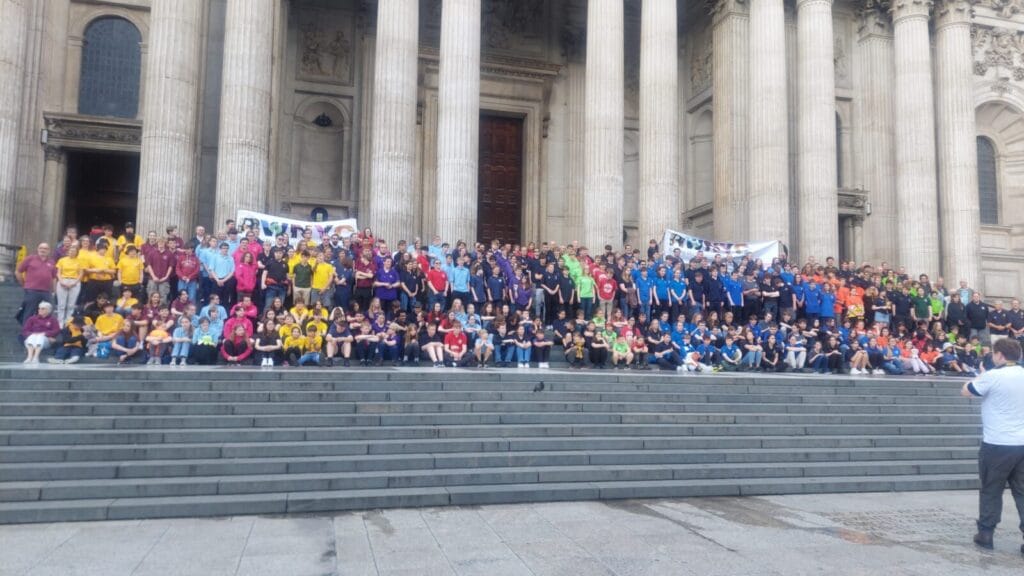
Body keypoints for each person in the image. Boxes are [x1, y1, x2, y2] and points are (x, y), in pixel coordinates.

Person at [961, 339, 1024, 553]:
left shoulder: (992, 376)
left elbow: (967, 391)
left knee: (991, 489)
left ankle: (986, 533)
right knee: (1022, 492)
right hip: (1022, 443)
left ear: (999, 356)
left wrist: (982, 372)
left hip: (997, 443)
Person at [16, 243, 55, 325]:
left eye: (45, 248)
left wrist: (54, 291)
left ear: (49, 251)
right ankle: (26, 333)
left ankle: (42, 331)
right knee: (29, 312)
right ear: (37, 249)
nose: (42, 250)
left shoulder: (52, 262)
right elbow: (18, 272)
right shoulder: (30, 259)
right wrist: (23, 284)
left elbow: (54, 277)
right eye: (41, 248)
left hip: (46, 292)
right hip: (32, 291)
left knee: (46, 313)